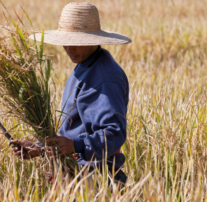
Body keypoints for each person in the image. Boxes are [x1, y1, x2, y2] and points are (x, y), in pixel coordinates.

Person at [10, 2, 131, 185]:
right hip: (74, 175)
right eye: (65, 41)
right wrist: (40, 149)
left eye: (75, 41)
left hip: (96, 179)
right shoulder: (84, 66)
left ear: (92, 40)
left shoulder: (105, 77)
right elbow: (74, 132)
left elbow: (114, 133)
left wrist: (76, 146)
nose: (68, 47)